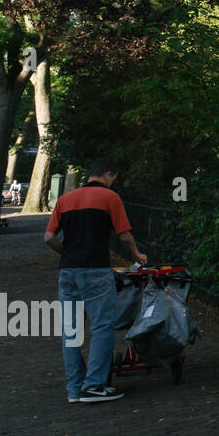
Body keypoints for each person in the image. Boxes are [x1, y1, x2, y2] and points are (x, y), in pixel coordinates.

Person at [43, 157, 147, 403]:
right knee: (102, 327)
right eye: (114, 179)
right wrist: (138, 255)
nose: (113, 183)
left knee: (72, 332)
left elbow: (48, 237)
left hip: (68, 272)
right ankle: (95, 385)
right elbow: (124, 235)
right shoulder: (110, 198)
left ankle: (75, 389)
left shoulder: (65, 200)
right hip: (96, 271)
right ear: (108, 174)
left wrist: (65, 253)